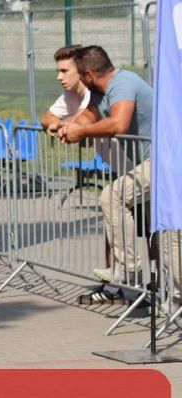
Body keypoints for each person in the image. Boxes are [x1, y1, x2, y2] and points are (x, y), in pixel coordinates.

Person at [57, 46, 179, 288]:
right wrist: (70, 126)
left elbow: (118, 124)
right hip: (155, 161)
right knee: (164, 230)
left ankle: (128, 269)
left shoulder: (122, 84)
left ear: (89, 75)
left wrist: (81, 131)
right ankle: (168, 293)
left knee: (113, 196)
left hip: (167, 160)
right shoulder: (99, 91)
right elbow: (89, 116)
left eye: (80, 76)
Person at [41, 45, 90, 137]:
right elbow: (46, 119)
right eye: (58, 71)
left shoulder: (91, 92)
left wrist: (57, 125)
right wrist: (60, 125)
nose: (59, 77)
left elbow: (80, 121)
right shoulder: (70, 92)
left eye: (64, 71)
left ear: (80, 70)